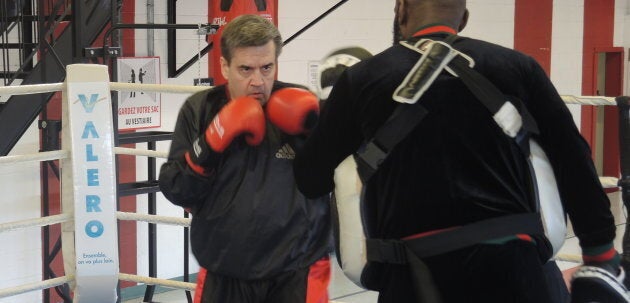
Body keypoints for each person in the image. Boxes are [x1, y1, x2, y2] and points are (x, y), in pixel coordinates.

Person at [293, 0, 624, 302]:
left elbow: (311, 179)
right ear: (463, 19)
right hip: (517, 271)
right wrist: (600, 253)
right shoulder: (518, 68)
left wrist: (304, 124)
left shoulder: (361, 81)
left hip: (415, 277)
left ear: (401, 9)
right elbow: (573, 158)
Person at [158, 14, 331, 303]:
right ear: (225, 66)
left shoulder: (301, 105)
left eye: (267, 68)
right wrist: (211, 142)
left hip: (296, 271)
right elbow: (176, 189)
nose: (258, 81)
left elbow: (330, 180)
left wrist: (319, 129)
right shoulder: (200, 110)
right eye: (245, 69)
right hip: (224, 272)